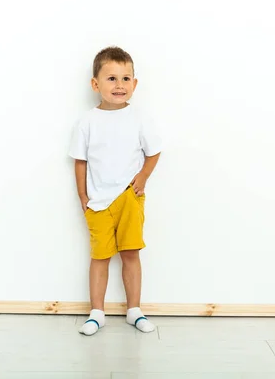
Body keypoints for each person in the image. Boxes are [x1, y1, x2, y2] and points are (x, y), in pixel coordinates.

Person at [68, 46, 162, 336]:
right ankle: (97, 311)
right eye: (111, 79)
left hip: (128, 198)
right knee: (100, 256)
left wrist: (142, 178)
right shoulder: (87, 121)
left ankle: (134, 309)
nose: (119, 85)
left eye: (125, 79)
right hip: (98, 202)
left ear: (134, 84)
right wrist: (84, 197)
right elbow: (80, 161)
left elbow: (154, 152)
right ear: (95, 84)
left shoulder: (140, 118)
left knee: (131, 253)